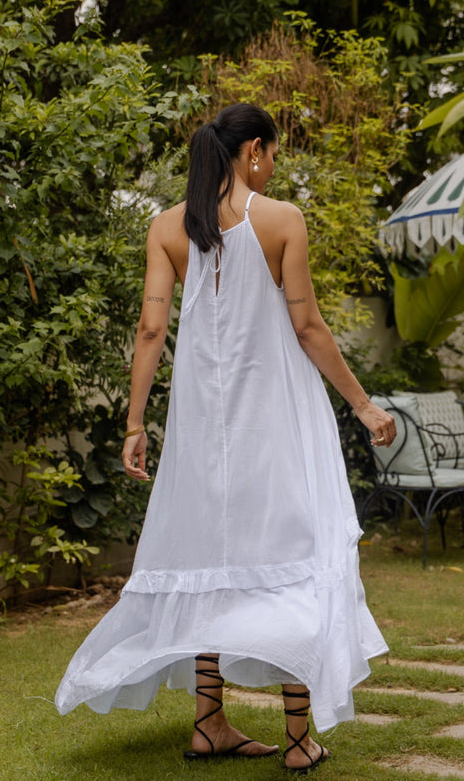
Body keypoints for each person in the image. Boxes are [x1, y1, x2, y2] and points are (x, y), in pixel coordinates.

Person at [55, 103, 396, 773]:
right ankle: (298, 739)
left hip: (199, 424)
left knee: (207, 553)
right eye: (273, 156)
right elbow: (308, 328)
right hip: (275, 415)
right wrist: (362, 406)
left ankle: (210, 721)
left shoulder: (165, 227)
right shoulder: (282, 220)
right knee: (291, 548)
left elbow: (151, 331)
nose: (273, 168)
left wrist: (133, 422)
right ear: (255, 150)